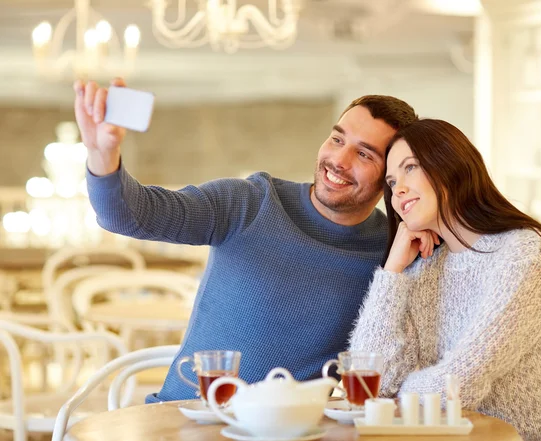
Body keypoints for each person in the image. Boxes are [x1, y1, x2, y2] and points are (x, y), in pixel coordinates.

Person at [73, 78, 418, 403]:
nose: (338, 161)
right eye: (337, 139)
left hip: (290, 434)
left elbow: (396, 366)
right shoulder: (249, 202)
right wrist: (102, 153)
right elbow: (131, 215)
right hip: (186, 419)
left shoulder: (390, 255)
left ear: (390, 177)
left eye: (364, 155)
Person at [349, 119, 541, 441]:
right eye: (391, 182)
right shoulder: (425, 266)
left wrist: (397, 395)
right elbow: (369, 381)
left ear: (450, 166)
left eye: (411, 168)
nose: (398, 190)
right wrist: (392, 272)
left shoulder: (523, 255)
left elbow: (458, 384)